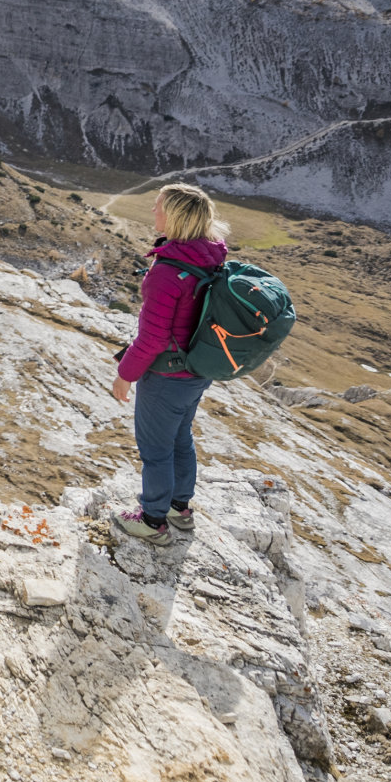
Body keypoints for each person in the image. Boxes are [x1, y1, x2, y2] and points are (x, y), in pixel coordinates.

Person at [109, 183, 228, 543]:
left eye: (158, 206)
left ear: (174, 216)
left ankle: (152, 521)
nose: (153, 212)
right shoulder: (209, 256)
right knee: (180, 438)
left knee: (155, 450)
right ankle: (179, 507)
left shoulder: (165, 272)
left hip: (166, 375)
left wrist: (124, 375)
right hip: (197, 369)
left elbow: (153, 339)